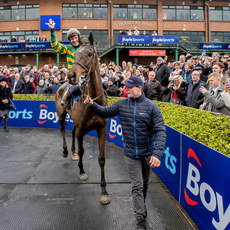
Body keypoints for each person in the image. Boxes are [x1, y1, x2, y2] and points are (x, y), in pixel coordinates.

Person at [84, 76, 167, 230]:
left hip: (147, 153)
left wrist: (157, 154)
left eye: (130, 87)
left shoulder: (151, 107)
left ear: (140, 88)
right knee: (137, 186)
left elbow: (161, 130)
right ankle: (140, 219)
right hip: (130, 154)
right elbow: (105, 111)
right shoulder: (122, 103)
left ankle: (141, 206)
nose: (126, 89)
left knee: (144, 185)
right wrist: (92, 104)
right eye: (125, 87)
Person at [48, 19, 82, 108]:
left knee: (104, 84)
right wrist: (52, 30)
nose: (74, 40)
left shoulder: (84, 47)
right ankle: (65, 101)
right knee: (73, 88)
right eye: (72, 39)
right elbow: (55, 46)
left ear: (79, 37)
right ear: (70, 41)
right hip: (74, 77)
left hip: (86, 74)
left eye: (75, 38)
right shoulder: (68, 48)